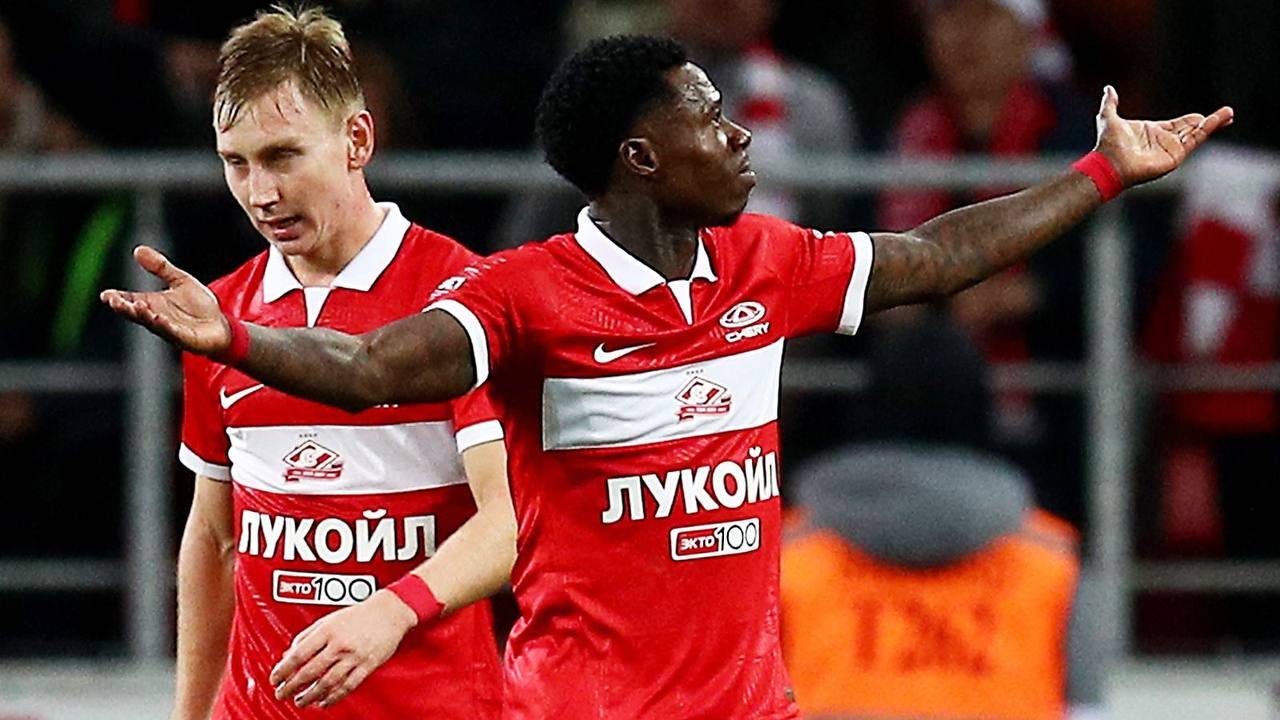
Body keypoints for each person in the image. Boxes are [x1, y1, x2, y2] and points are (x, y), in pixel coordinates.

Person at [102, 34, 1231, 719]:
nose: (740, 137)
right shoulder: (524, 296)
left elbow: (937, 256)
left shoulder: (763, 265)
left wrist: (1100, 174)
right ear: (641, 157)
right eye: (709, 117)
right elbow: (367, 368)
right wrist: (238, 340)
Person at [163, 8, 510, 719]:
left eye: (283, 156)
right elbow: (215, 539)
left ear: (357, 140)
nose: (260, 193)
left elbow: (509, 520)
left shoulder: (463, 301)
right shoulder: (222, 315)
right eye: (237, 162)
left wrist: (391, 610)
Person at [779, 311, 1107, 719]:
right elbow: (1088, 710)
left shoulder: (789, 557)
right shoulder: (1050, 560)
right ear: (982, 410)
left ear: (870, 407)